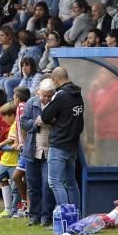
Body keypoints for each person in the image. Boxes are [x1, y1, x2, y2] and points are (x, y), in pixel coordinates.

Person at [38, 67, 85, 210]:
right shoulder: (77, 94)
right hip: (72, 144)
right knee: (70, 181)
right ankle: (75, 215)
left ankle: (65, 215)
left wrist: (53, 118)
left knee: (55, 182)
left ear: (55, 80)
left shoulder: (62, 95)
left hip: (59, 144)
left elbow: (45, 115)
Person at [21, 79, 56, 227]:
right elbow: (23, 122)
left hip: (49, 151)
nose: (46, 98)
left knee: (47, 186)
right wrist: (35, 123)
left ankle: (46, 217)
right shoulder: (31, 103)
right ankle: (34, 216)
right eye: (44, 95)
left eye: (49, 95)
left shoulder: (56, 104)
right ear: (39, 92)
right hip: (32, 151)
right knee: (32, 185)